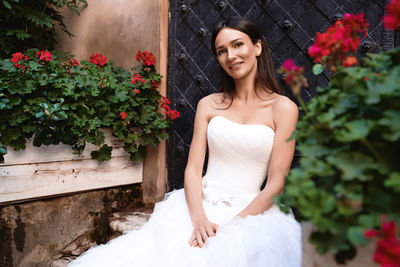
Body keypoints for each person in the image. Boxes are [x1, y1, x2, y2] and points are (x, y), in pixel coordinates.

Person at [69, 16, 301, 267]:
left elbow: (276, 184)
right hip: (199, 205)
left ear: (257, 47)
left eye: (238, 45)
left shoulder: (283, 108)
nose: (230, 56)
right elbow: (193, 169)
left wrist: (234, 227)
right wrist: (199, 219)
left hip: (252, 212)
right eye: (221, 51)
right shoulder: (209, 104)